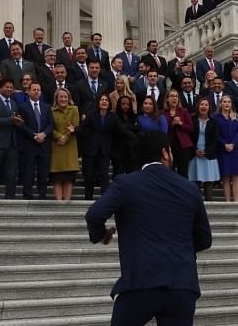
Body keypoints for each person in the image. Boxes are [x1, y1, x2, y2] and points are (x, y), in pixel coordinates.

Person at [85, 131, 213, 326]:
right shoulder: (189, 188)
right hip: (182, 285)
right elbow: (204, 239)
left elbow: (94, 215)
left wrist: (101, 234)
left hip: (141, 282)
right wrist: (178, 247)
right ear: (165, 153)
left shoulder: (126, 183)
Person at [17, 81, 53, 200]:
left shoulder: (47, 107)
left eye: (38, 90)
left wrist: (44, 134)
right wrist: (34, 135)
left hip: (44, 145)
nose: (37, 92)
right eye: (34, 90)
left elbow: (51, 124)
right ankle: (28, 195)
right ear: (28, 92)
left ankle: (42, 195)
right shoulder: (22, 107)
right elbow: (21, 125)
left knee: (43, 172)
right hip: (29, 144)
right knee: (28, 172)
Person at [81, 94, 117, 200]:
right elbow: (83, 128)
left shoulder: (112, 116)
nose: (104, 101)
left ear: (109, 103)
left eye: (106, 100)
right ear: (99, 102)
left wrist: (132, 135)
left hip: (104, 151)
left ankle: (105, 200)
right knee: (89, 176)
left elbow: (120, 129)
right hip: (91, 150)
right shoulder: (92, 115)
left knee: (104, 176)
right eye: (102, 100)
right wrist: (74, 130)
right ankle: (88, 199)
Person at [50, 88, 80, 201]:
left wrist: (66, 137)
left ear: (69, 98)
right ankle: (58, 202)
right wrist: (59, 137)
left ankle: (67, 201)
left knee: (68, 177)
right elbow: (49, 126)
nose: (63, 99)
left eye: (65, 97)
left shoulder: (74, 109)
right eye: (61, 97)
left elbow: (75, 125)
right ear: (56, 99)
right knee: (57, 177)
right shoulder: (51, 110)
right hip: (56, 146)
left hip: (69, 146)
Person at [188, 98, 220, 201]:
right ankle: (196, 205)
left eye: (206, 105)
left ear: (209, 107)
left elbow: (215, 139)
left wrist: (207, 151)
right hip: (194, 154)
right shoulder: (192, 119)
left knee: (209, 181)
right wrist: (194, 150)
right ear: (198, 106)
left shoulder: (214, 121)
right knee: (195, 180)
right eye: (202, 104)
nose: (204, 106)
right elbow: (188, 136)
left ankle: (209, 205)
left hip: (208, 155)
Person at [214, 95, 238, 202]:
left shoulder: (235, 116)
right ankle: (227, 201)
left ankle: (235, 201)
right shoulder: (216, 117)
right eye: (224, 102)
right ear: (220, 104)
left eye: (229, 102)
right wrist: (224, 144)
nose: (227, 104)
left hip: (235, 149)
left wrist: (233, 144)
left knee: (236, 176)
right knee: (225, 176)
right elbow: (216, 134)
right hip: (223, 149)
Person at [163, 89, 195, 178]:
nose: (174, 98)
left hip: (183, 146)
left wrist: (181, 124)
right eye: (172, 96)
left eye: (176, 96)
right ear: (167, 99)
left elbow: (191, 128)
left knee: (183, 172)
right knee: (170, 172)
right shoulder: (163, 113)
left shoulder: (184, 111)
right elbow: (162, 130)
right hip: (169, 145)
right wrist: (172, 124)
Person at [112, 97, 140, 178]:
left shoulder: (134, 116)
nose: (125, 106)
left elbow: (138, 128)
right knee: (118, 177)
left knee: (132, 177)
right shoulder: (114, 116)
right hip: (118, 152)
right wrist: (131, 127)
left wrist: (124, 127)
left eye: (128, 104)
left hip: (132, 152)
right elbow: (117, 129)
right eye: (123, 104)